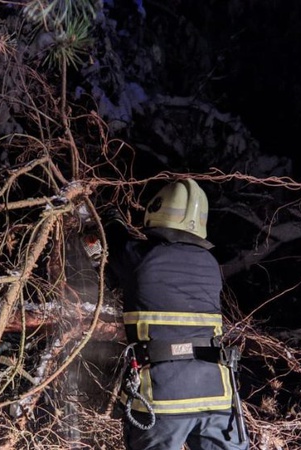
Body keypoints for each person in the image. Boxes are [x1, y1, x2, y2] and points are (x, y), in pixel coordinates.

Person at [104, 179, 248, 450]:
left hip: (161, 398)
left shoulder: (140, 257)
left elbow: (111, 238)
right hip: (216, 395)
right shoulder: (210, 264)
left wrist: (110, 217)